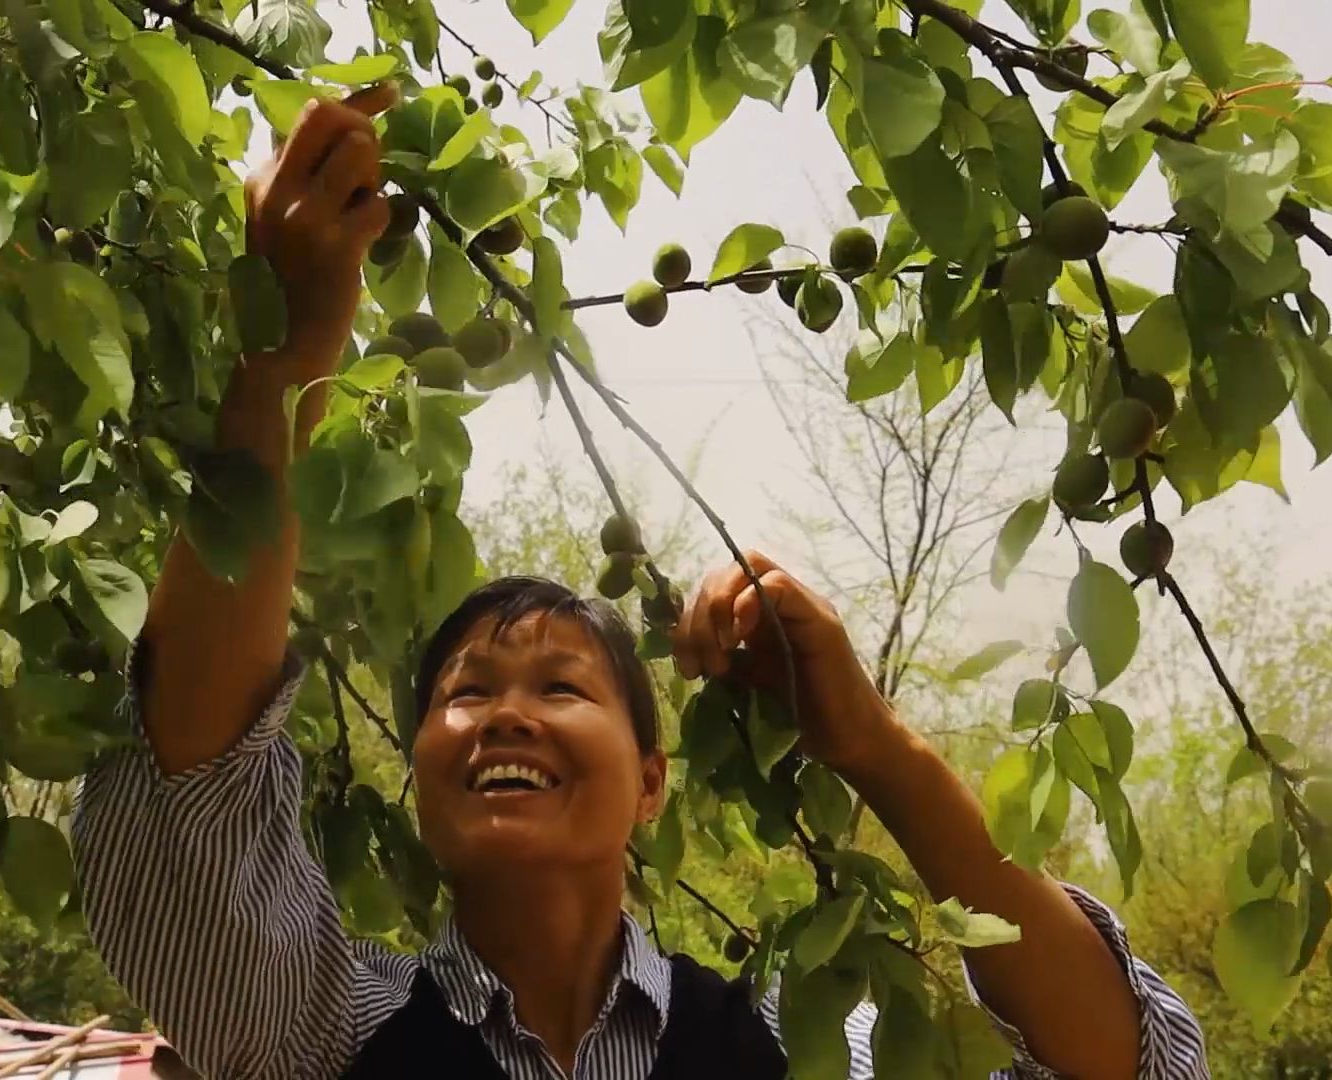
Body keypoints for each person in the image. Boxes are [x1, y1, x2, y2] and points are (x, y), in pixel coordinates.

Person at [71, 85, 1209, 1079]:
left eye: (563, 687)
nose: (506, 709)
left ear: (654, 785)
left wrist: (873, 748)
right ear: (418, 780)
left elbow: (1114, 1064)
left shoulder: (790, 1049)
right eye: (464, 693)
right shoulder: (322, 1036)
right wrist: (283, 366)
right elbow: (196, 773)